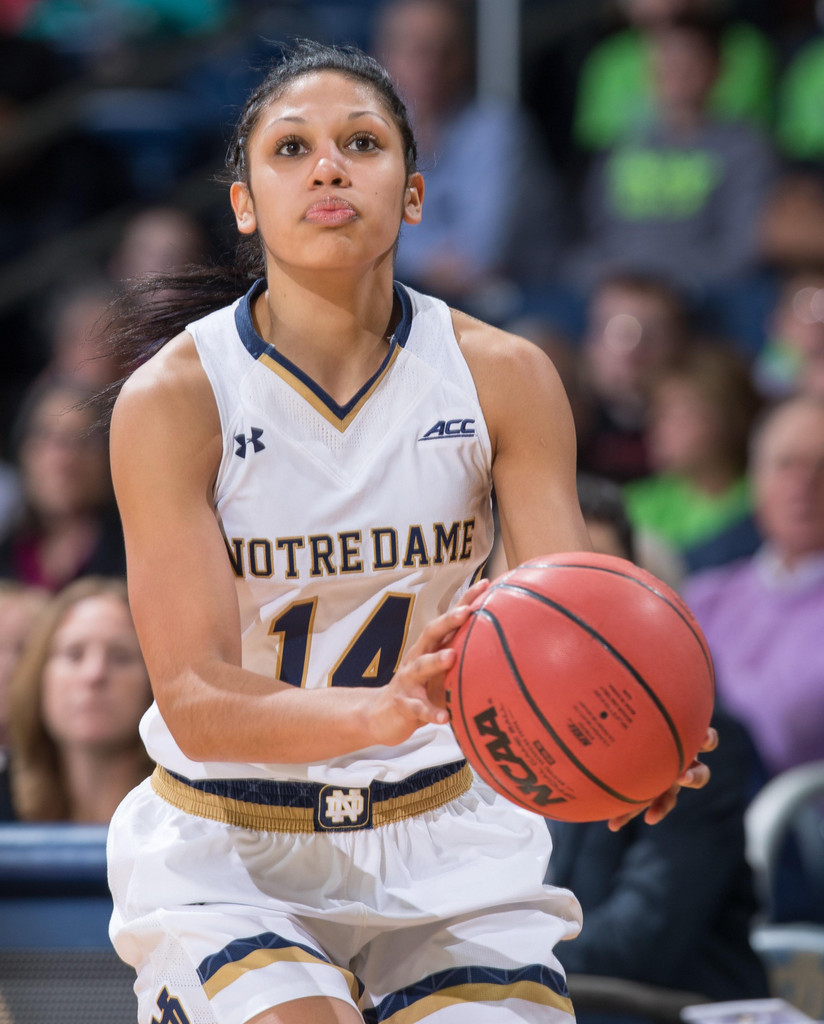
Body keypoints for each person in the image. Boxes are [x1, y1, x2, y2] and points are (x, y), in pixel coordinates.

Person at [103, 40, 715, 1024]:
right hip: (234, 846)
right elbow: (195, 694)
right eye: (292, 150)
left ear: (415, 193)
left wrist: (632, 726)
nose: (330, 167)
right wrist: (379, 711)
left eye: (361, 142)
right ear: (244, 205)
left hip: (446, 840)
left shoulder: (503, 374)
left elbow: (571, 607)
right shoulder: (176, 398)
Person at [547, 474, 769, 1004]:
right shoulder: (452, 737)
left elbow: (638, 941)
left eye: (598, 589)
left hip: (653, 1007)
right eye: (547, 587)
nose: (565, 615)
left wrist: (489, 960)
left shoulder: (693, 741)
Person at [373, 0, 565, 322]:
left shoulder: (499, 129)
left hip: (523, 298)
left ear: (467, 58)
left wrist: (392, 251)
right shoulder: (367, 136)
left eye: (446, 51)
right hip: (419, 296)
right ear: (384, 57)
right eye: (418, 50)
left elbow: (479, 257)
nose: (432, 64)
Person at [563, 13, 778, 298]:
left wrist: (660, 281)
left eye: (688, 62)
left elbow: (742, 250)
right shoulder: (621, 145)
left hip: (702, 298)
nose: (675, 72)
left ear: (717, 68)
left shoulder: (747, 148)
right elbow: (590, 235)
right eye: (665, 61)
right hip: (615, 292)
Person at [684, 394, 824, 781]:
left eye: (822, 467)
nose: (803, 485)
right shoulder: (705, 595)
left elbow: (782, 727)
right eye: (785, 465)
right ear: (756, 480)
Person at [4, 576, 153, 822]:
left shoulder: (196, 818)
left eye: (121, 656)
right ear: (37, 677)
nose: (94, 674)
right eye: (74, 655)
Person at [624, 343, 764, 575]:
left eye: (675, 412)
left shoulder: (765, 502)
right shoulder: (634, 505)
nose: (657, 426)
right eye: (656, 412)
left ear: (729, 418)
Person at [0, 378, 126, 590]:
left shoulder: (130, 554)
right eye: (45, 437)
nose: (61, 459)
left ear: (108, 455)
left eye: (83, 440)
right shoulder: (8, 552)